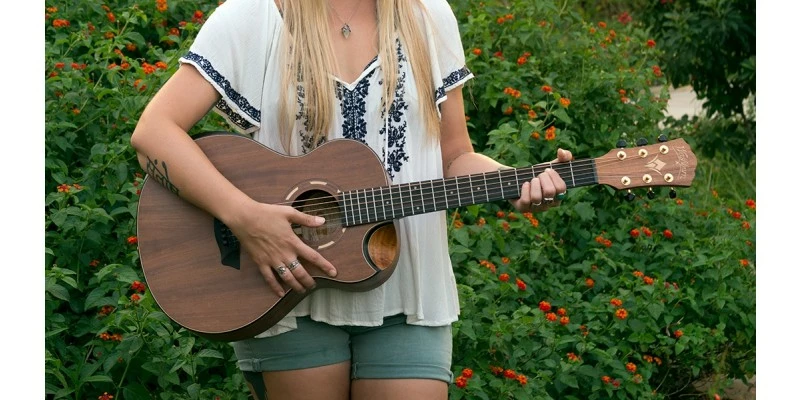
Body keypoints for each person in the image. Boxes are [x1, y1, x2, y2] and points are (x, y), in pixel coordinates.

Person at [130, 0, 571, 398]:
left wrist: (514, 182)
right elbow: (154, 133)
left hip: (409, 291)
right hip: (286, 290)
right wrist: (245, 218)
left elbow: (454, 156)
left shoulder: (427, 16)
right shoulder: (253, 16)